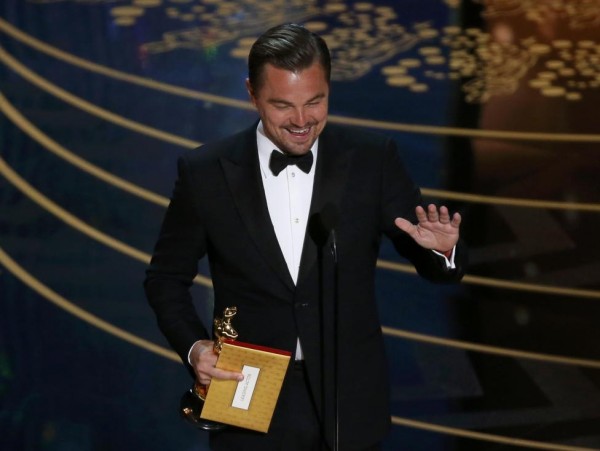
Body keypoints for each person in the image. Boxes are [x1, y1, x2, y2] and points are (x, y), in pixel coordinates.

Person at [144, 23, 466, 451]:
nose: (301, 121)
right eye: (283, 106)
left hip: (347, 398)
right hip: (246, 392)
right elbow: (165, 278)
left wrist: (443, 252)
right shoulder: (206, 173)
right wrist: (194, 348)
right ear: (252, 94)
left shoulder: (372, 159)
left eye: (315, 102)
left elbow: (433, 265)